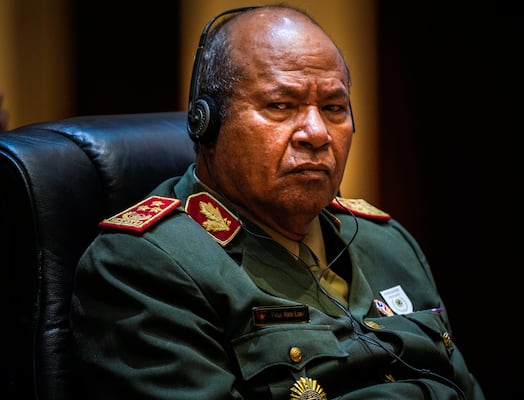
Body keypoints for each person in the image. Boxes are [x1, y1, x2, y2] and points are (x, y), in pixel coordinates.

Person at [70, 5, 486, 399]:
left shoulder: (389, 242)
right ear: (207, 121)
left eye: (334, 108)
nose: (317, 132)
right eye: (281, 106)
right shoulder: (143, 266)